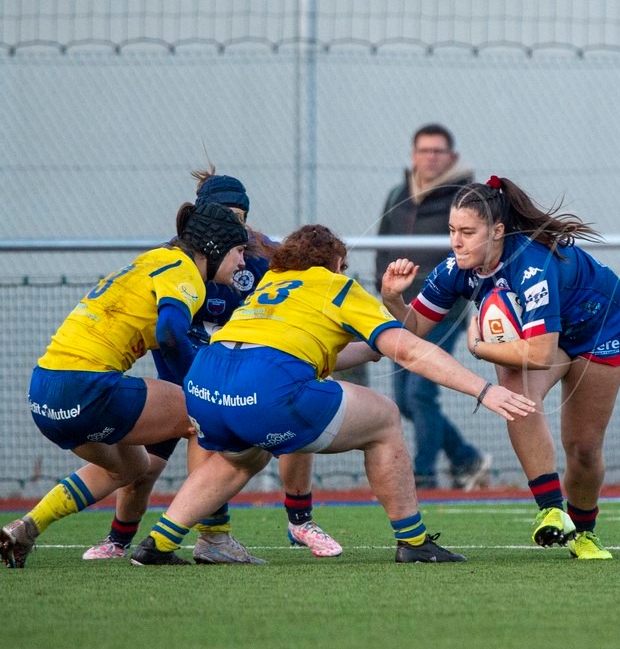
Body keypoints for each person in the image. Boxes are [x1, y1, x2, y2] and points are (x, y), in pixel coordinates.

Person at [127, 224, 535, 566]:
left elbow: (308, 353)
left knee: (240, 458)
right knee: (385, 418)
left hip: (205, 383)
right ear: (336, 264)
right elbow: (409, 349)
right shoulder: (337, 285)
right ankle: (414, 542)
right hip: (265, 385)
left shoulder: (270, 283)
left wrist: (378, 344)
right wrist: (483, 389)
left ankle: (159, 542)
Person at [80, 172, 344, 564]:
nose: (233, 225)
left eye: (239, 216)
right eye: (223, 214)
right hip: (181, 378)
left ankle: (298, 520)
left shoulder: (262, 255)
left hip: (235, 378)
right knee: (144, 468)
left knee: (297, 418)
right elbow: (166, 329)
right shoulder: (178, 260)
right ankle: (119, 539)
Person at [380, 175, 620, 560]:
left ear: (497, 231)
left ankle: (584, 532)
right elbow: (412, 330)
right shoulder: (457, 268)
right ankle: (550, 509)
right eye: (452, 230)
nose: (456, 241)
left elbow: (542, 353)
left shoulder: (531, 265)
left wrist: (479, 348)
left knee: (583, 448)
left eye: (467, 231)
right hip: (544, 339)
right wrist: (393, 299)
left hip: (598, 328)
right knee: (514, 393)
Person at [1, 203, 249, 568]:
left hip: (44, 394)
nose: (243, 262)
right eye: (239, 251)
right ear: (214, 247)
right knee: (201, 413)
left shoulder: (154, 260)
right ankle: (212, 538)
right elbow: (169, 333)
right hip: (86, 386)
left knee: (130, 468)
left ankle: (26, 527)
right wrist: (203, 386)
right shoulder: (185, 273)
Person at [376, 124, 491, 490]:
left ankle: (421, 476)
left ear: (452, 157)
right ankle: (466, 458)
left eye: (438, 151)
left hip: (443, 308)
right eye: (424, 150)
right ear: (413, 155)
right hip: (400, 309)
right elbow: (383, 246)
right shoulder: (399, 194)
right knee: (404, 402)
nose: (430, 157)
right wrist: (387, 292)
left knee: (419, 392)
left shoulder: (463, 199)